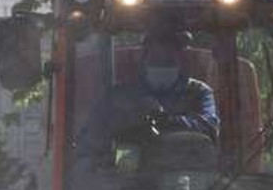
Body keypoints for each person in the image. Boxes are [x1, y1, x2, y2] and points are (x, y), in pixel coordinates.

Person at [83, 29, 219, 161]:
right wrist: (135, 116)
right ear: (144, 59)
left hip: (187, 171)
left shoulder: (198, 92)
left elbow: (209, 125)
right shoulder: (121, 94)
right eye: (156, 60)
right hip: (127, 174)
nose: (162, 65)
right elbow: (93, 133)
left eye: (169, 60)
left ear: (181, 60)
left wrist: (166, 120)